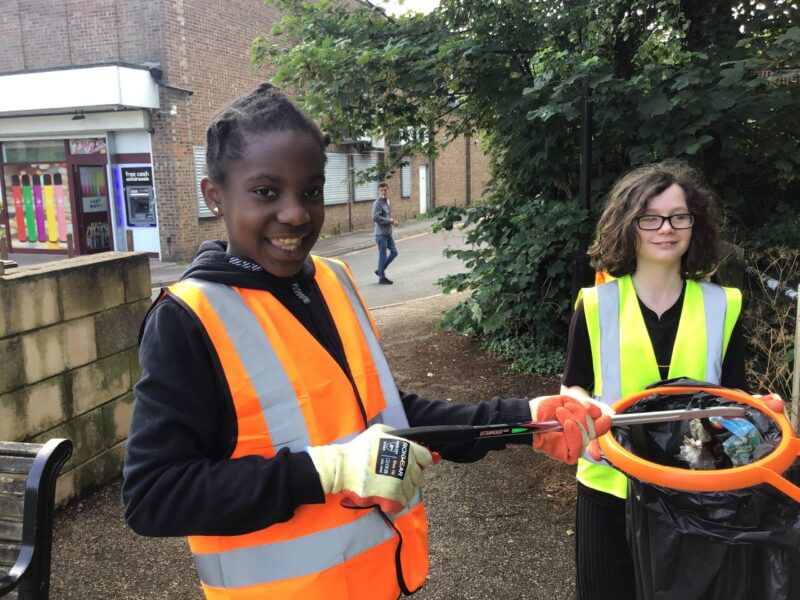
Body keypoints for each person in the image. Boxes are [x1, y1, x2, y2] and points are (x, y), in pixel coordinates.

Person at [121, 83, 611, 600]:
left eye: (311, 191)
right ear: (214, 195)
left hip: (381, 584)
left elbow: (392, 418)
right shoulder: (186, 319)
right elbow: (154, 495)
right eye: (266, 192)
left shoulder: (332, 281)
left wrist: (526, 420)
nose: (295, 214)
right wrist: (330, 470)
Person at [559, 160, 785, 600]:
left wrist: (758, 409)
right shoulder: (595, 302)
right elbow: (574, 385)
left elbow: (733, 394)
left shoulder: (725, 304)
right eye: (651, 217)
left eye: (679, 216)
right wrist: (583, 410)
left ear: (693, 225)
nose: (667, 228)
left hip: (696, 492)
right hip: (609, 485)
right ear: (630, 225)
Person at [372, 181, 398, 284]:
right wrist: (390, 221)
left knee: (394, 252)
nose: (383, 192)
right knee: (382, 255)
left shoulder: (387, 201)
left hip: (388, 233)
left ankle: (380, 270)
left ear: (387, 190)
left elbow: (387, 215)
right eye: (381, 190)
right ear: (378, 190)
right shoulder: (377, 203)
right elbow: (375, 217)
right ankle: (382, 278)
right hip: (380, 234)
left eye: (385, 190)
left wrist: (392, 221)